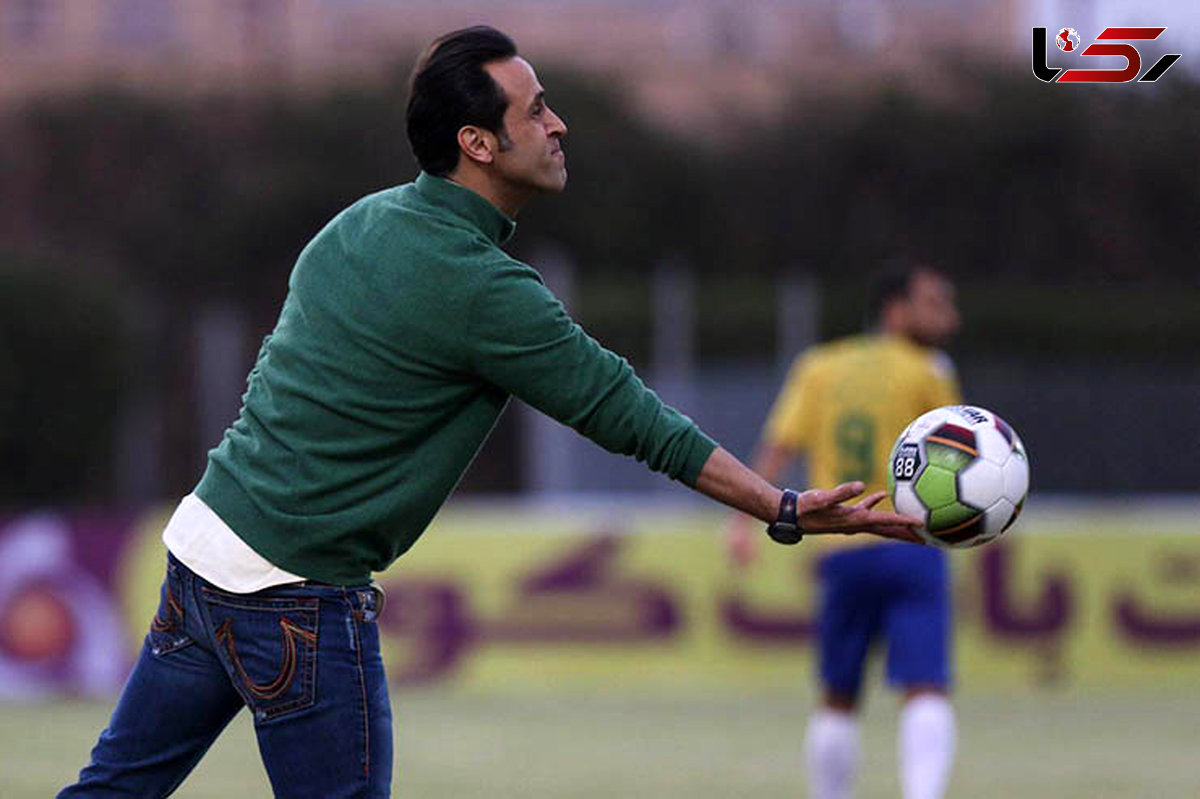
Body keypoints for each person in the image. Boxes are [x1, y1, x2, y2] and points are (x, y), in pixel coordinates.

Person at [61, 26, 919, 798]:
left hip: (203, 552)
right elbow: (633, 419)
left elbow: (278, 385)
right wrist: (784, 506)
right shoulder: (486, 291)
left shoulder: (357, 223)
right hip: (294, 592)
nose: (559, 125)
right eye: (537, 109)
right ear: (477, 142)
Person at [727, 263, 962, 799]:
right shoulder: (928, 369)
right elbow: (961, 458)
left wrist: (741, 519)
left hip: (840, 546)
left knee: (837, 694)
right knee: (926, 686)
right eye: (934, 302)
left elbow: (778, 448)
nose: (949, 315)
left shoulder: (818, 365)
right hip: (910, 543)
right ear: (895, 308)